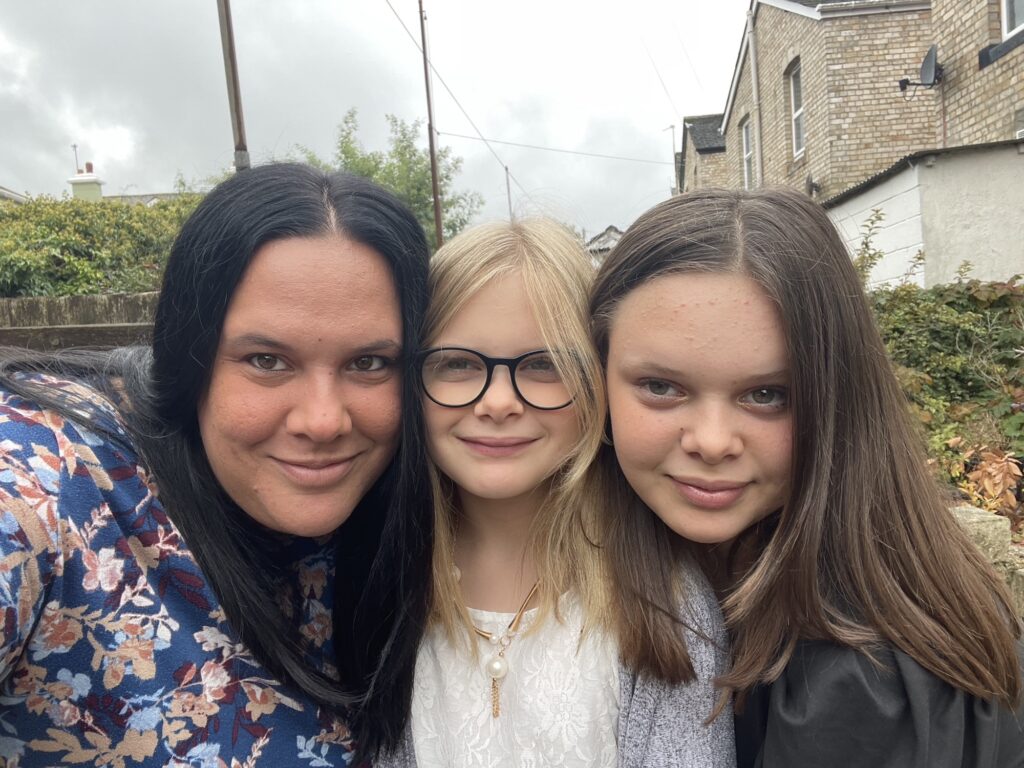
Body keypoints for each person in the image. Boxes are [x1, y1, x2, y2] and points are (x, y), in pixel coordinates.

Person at [0, 163, 433, 766]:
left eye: (368, 364)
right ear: (191, 359)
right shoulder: (48, 475)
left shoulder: (420, 498)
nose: (324, 421)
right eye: (266, 360)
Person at [589, 186, 1024, 767]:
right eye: (661, 387)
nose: (712, 442)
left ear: (838, 398)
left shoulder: (866, 678)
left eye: (768, 395)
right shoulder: (678, 565)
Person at [381, 219, 735, 767]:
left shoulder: (664, 603)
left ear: (599, 384)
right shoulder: (375, 584)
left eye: (544, 365)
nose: (498, 403)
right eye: (457, 363)